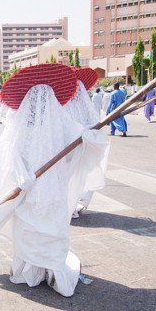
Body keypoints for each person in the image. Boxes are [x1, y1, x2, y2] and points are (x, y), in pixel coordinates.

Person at [0, 63, 109, 297]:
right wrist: (26, 178)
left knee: (33, 230)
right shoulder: (45, 125)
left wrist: (89, 136)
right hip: (36, 189)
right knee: (44, 230)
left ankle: (33, 272)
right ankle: (42, 272)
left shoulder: (52, 125)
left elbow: (78, 147)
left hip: (36, 190)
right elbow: (10, 157)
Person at [64, 67, 107, 218]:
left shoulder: (74, 104)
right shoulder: (64, 104)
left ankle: (71, 206)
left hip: (77, 147)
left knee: (73, 178)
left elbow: (93, 126)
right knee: (72, 178)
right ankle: (70, 205)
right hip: (69, 148)